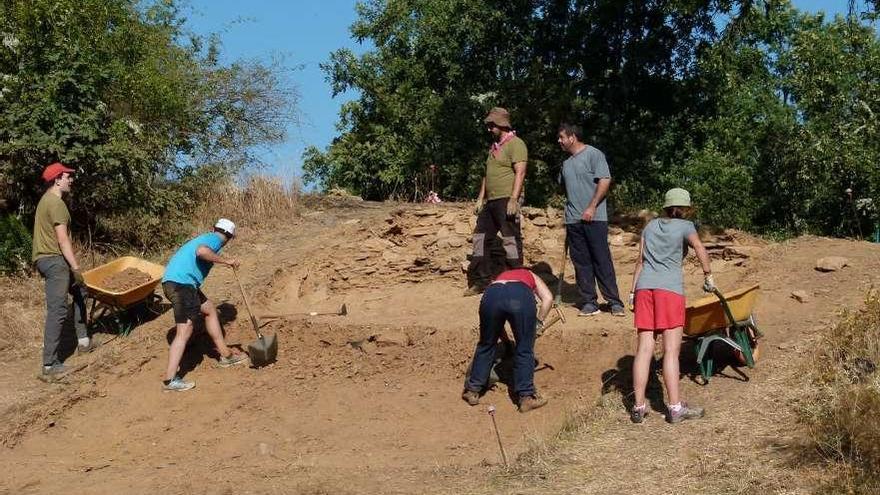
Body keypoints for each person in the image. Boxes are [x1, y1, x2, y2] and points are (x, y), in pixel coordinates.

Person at [628, 188, 715, 424]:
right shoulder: (686, 227)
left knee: (644, 349)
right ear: (685, 208)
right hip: (669, 291)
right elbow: (699, 247)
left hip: (645, 288)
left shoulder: (650, 226)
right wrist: (708, 275)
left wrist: (632, 291)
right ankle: (675, 408)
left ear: (666, 206)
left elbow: (641, 261)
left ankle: (638, 407)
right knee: (671, 351)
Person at [160, 219, 248, 391]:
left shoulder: (206, 237)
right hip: (181, 285)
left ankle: (226, 355)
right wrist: (227, 261)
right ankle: (170, 380)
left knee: (209, 310)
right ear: (229, 237)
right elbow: (201, 252)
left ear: (215, 227)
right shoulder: (214, 239)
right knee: (184, 330)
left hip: (179, 283)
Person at [32, 162, 95, 379]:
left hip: (47, 260)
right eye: (68, 176)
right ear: (57, 179)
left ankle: (84, 341)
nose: (71, 179)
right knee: (58, 310)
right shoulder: (57, 203)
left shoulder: (45, 201)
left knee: (80, 292)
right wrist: (76, 268)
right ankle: (50, 365)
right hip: (54, 261)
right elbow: (63, 239)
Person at [557, 123, 625, 317]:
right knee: (581, 262)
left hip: (594, 218)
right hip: (573, 220)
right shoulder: (566, 163)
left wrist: (592, 206)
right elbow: (565, 188)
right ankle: (589, 302)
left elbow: (605, 180)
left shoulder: (594, 155)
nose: (559, 141)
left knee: (601, 259)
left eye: (562, 137)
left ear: (572, 137)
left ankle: (614, 301)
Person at [462, 267, 554, 412]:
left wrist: (506, 343)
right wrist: (538, 322)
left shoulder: (500, 277)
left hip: (491, 296)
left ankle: (472, 390)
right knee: (524, 348)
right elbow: (548, 299)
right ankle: (526, 397)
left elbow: (497, 329)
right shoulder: (531, 275)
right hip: (520, 297)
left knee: (486, 343)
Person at [466, 107, 528, 295]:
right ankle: (482, 280)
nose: (489, 128)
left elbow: (521, 172)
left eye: (492, 125)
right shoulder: (493, 148)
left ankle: (516, 279)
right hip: (491, 201)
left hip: (506, 199)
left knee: (510, 239)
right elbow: (487, 175)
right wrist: (480, 198)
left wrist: (513, 199)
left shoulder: (516, 144)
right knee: (479, 238)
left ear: (501, 124)